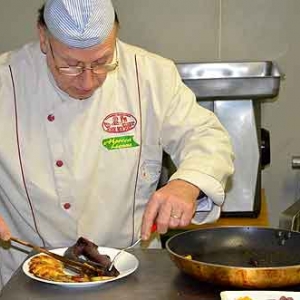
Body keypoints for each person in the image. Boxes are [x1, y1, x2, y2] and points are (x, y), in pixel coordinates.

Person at [0, 0, 234, 289]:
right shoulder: (5, 79)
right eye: (70, 65)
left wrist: (186, 184)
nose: (88, 81)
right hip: (29, 274)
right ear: (43, 39)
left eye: (102, 62)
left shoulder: (152, 75)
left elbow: (205, 135)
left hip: (133, 268)